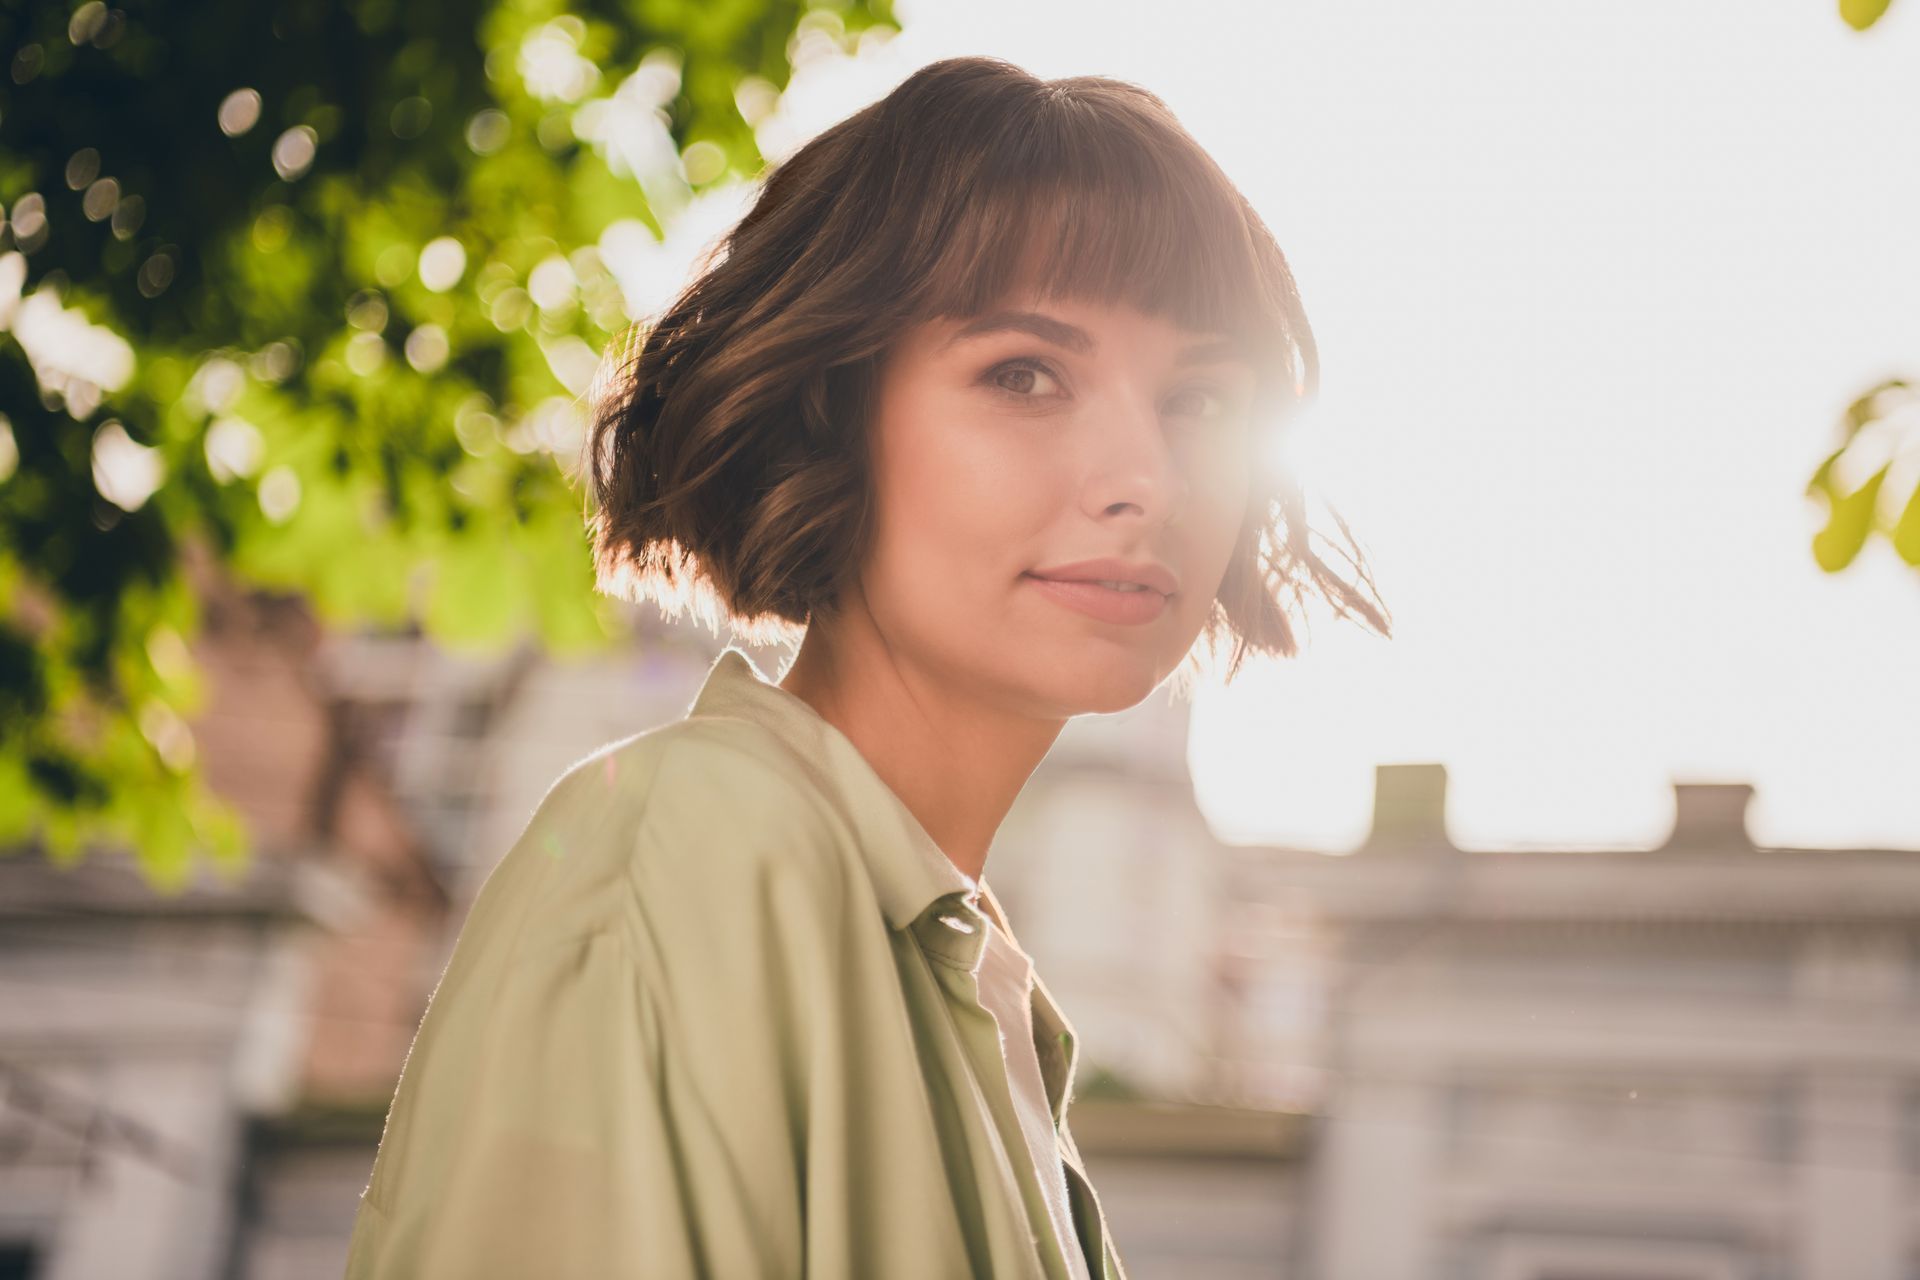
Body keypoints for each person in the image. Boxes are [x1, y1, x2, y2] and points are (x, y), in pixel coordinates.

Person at [344, 53, 1389, 1280]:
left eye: (1203, 399)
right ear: (830, 407)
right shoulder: (690, 854)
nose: (1145, 478)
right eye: (1024, 374)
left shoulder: (976, 990)